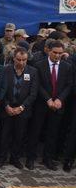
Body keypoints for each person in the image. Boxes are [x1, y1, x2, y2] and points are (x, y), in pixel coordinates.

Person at [27, 40, 73, 170]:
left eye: (60, 53)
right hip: (41, 105)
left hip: (57, 106)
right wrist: (48, 99)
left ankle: (48, 159)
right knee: (35, 132)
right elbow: (38, 85)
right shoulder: (39, 65)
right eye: (55, 52)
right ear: (49, 51)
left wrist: (60, 99)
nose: (57, 55)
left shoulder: (67, 66)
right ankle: (31, 158)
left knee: (53, 133)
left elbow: (68, 85)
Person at [0, 48, 38, 169]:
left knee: (19, 136)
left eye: (24, 60)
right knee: (4, 135)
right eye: (19, 59)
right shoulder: (5, 70)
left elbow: (33, 93)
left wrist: (21, 107)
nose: (21, 62)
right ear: (14, 58)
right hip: (7, 109)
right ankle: (1, 158)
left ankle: (15, 158)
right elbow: (1, 90)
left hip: (23, 110)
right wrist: (6, 105)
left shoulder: (33, 71)